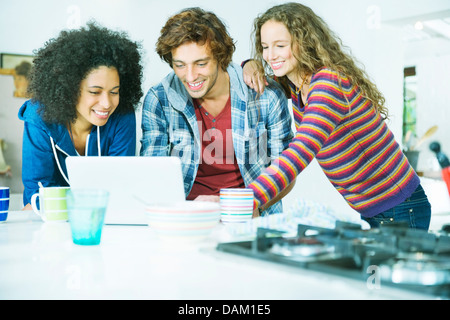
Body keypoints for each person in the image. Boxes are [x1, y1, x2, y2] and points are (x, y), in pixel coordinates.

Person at [243, 2, 431, 229]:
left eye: (280, 45)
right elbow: (263, 78)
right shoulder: (296, 84)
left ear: (304, 43)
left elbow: (301, 151)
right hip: (376, 209)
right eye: (265, 47)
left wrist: (246, 200)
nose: (270, 55)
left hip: (401, 206)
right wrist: (249, 64)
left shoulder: (328, 83)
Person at [140, 7, 294, 216]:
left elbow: (286, 174)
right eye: (180, 65)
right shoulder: (159, 99)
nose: (191, 76)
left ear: (221, 58)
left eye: (201, 63)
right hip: (186, 217)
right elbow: (151, 175)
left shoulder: (265, 96)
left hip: (251, 216)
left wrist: (251, 209)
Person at [19, 22, 143, 209]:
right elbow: (37, 196)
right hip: (54, 221)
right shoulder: (39, 118)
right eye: (95, 92)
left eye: (114, 92)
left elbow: (119, 187)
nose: (107, 103)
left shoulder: (122, 114)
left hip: (104, 220)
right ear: (69, 89)